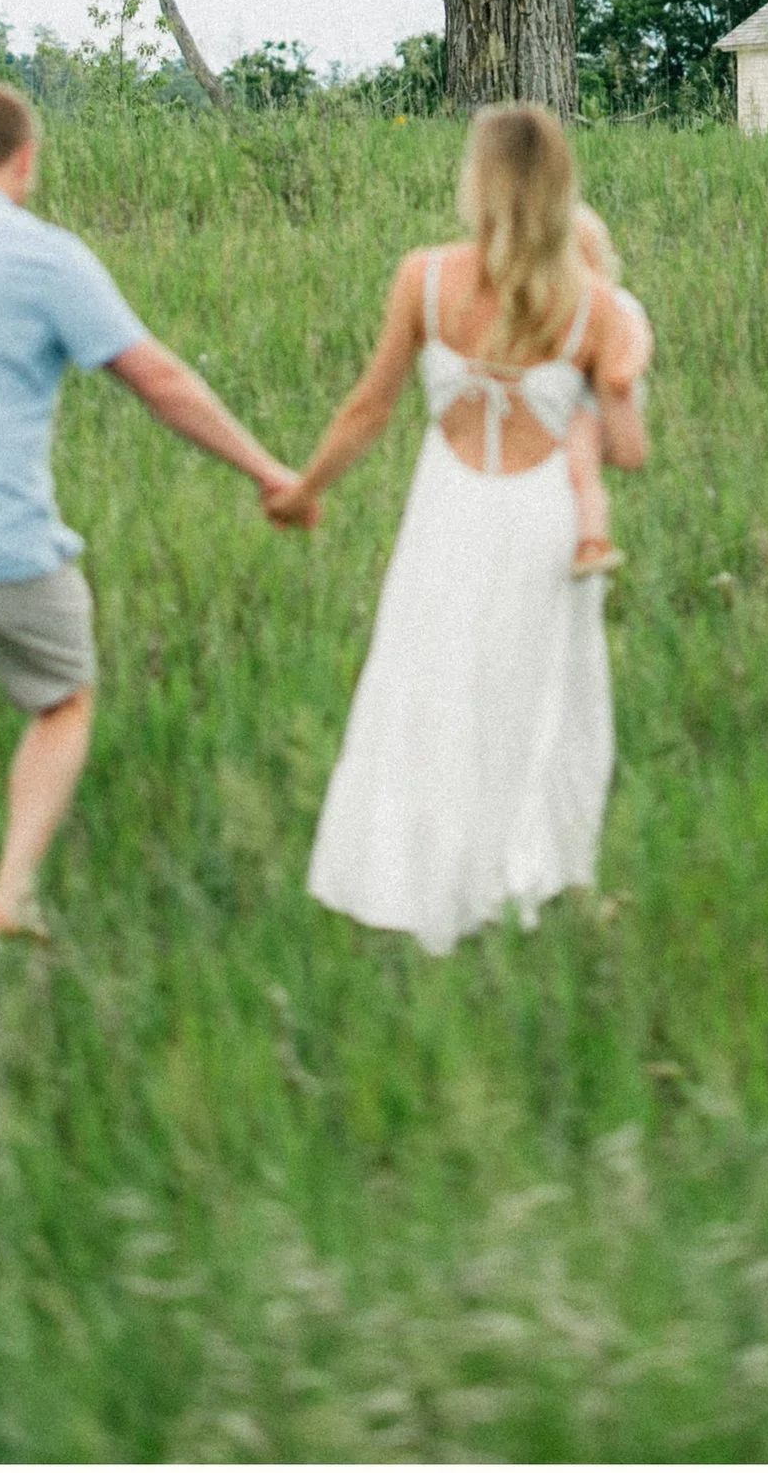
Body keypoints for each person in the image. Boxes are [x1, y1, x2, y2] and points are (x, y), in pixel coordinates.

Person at [0, 79, 298, 942]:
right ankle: (11, 896)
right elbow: (156, 380)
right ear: (26, 161)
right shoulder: (44, 257)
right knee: (64, 703)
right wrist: (266, 471)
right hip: (7, 547)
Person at [266, 101, 648, 954]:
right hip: (543, 518)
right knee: (536, 700)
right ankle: (521, 883)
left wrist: (304, 488)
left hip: (448, 511)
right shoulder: (595, 309)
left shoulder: (425, 279)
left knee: (428, 689)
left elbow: (368, 408)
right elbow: (627, 451)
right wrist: (618, 388)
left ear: (478, 182)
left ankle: (423, 884)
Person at [562, 203, 653, 578]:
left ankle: (592, 539)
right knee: (574, 462)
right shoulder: (562, 306)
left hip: (600, 398)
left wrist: (623, 369)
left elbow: (639, 339)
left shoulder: (616, 303)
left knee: (580, 462)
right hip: (575, 398)